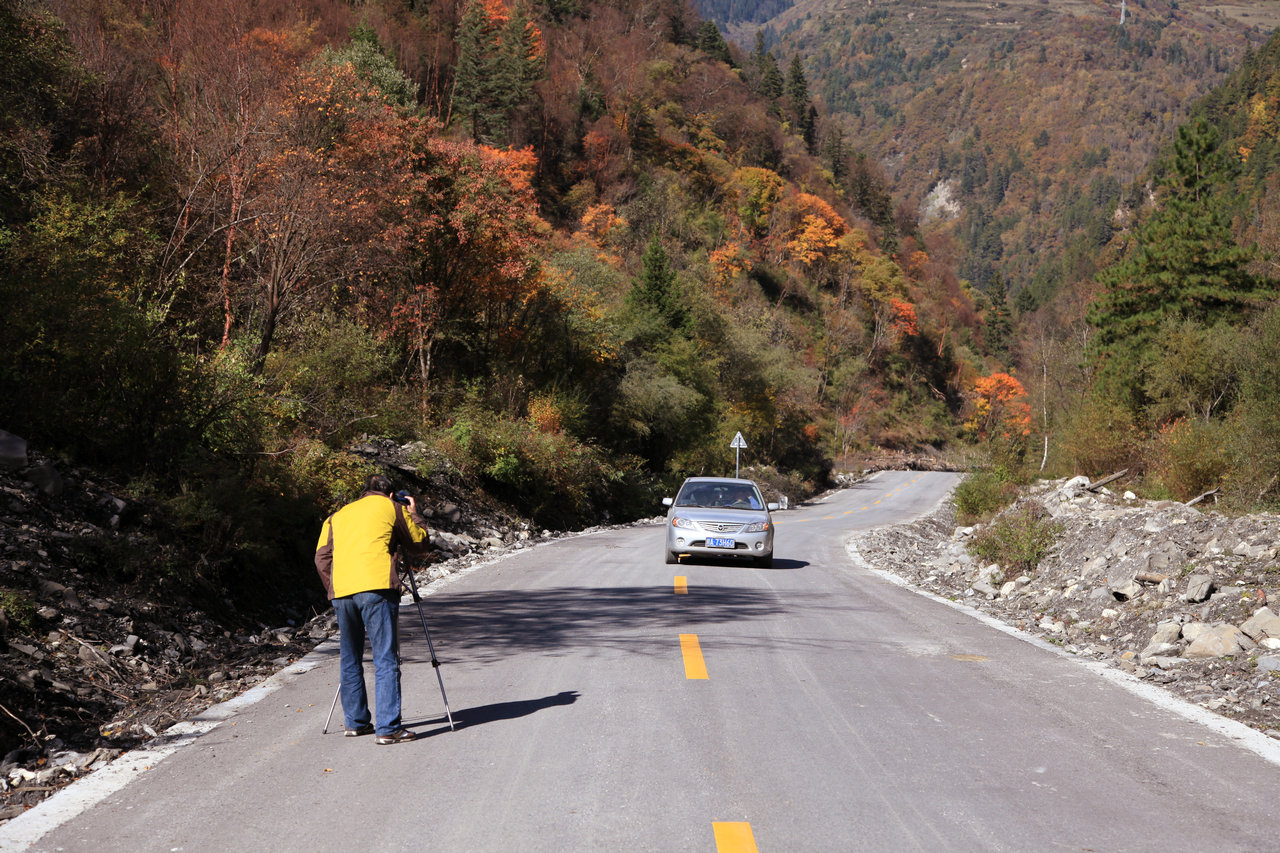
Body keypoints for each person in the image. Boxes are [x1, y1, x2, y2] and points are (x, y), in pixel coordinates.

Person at [315, 473, 431, 744]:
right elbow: (419, 544)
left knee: (350, 657)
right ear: (391, 494)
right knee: (385, 657)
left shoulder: (337, 515)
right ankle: (388, 728)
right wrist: (414, 515)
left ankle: (355, 723)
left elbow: (321, 558)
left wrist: (334, 588)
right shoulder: (393, 508)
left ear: (363, 491)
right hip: (376, 588)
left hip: (343, 592)